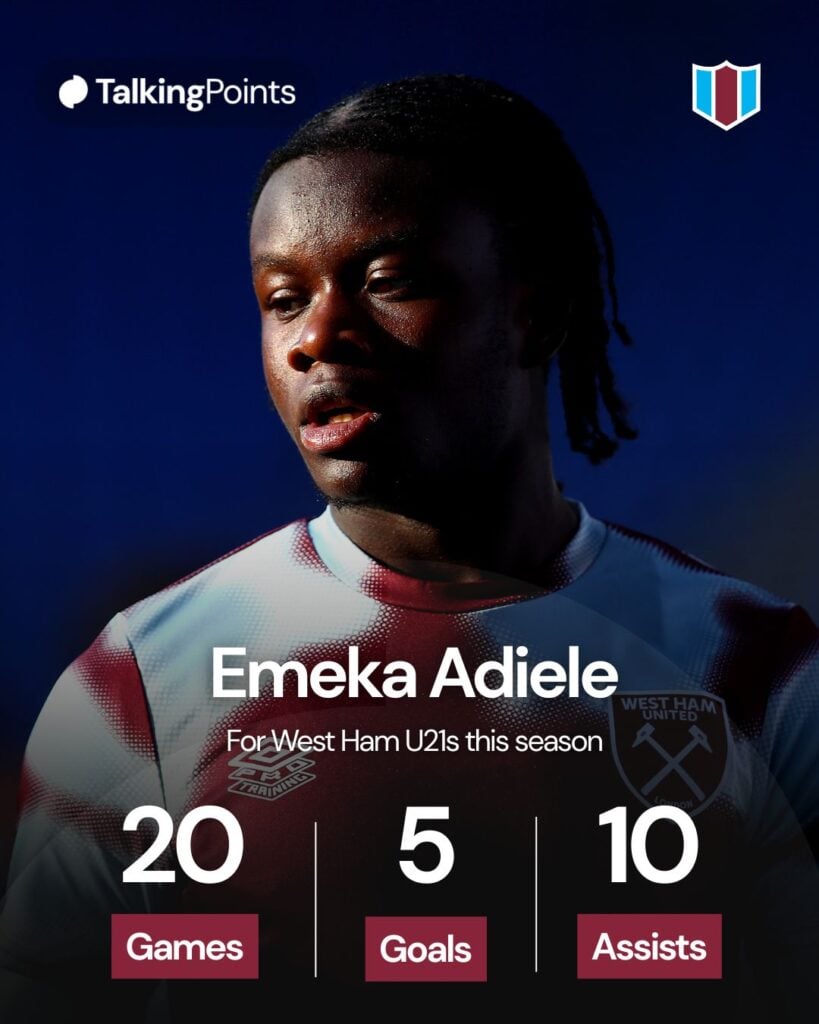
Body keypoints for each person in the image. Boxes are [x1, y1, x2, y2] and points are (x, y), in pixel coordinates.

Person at [1, 73, 818, 1022]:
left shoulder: (758, 667)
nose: (318, 335)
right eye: (281, 297)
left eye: (387, 282)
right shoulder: (140, 678)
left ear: (533, 311)